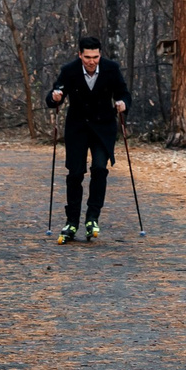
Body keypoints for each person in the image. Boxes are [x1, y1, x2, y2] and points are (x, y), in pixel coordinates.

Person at [48, 35, 128, 242]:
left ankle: (92, 217)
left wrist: (123, 104)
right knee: (75, 174)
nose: (92, 61)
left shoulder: (111, 68)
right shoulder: (70, 70)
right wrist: (54, 97)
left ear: (100, 54)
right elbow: (54, 95)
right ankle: (71, 222)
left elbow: (123, 93)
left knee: (100, 169)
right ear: (80, 55)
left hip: (103, 127)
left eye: (95, 57)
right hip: (78, 128)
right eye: (87, 57)